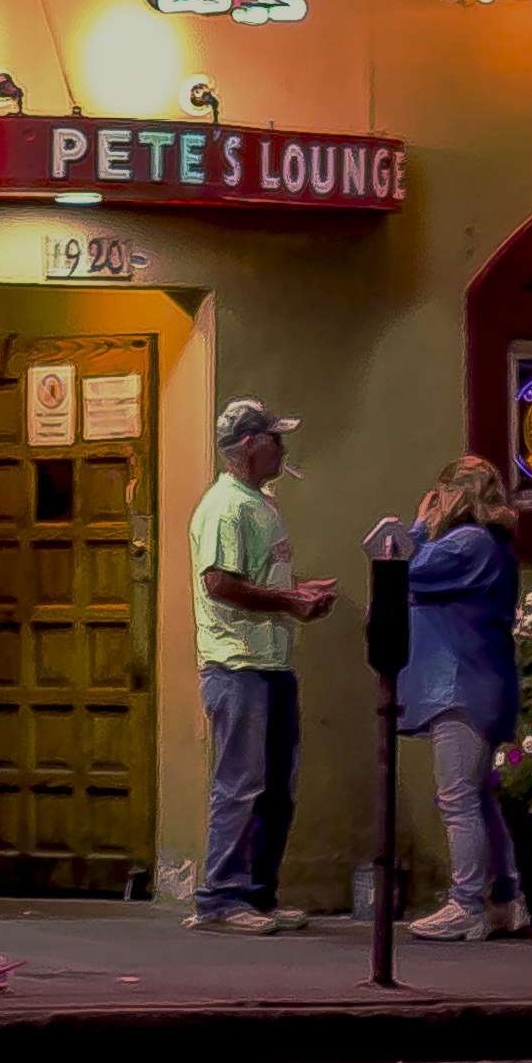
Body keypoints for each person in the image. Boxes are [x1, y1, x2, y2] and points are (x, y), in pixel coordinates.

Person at [185, 397, 334, 929]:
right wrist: (290, 602)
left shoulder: (258, 503)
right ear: (250, 445)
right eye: (274, 438)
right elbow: (219, 582)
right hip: (237, 665)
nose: (282, 447)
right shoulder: (226, 507)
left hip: (268, 664)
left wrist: (297, 590)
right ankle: (222, 899)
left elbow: (254, 578)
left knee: (273, 788)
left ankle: (257, 895)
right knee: (242, 784)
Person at [391, 455, 528, 937]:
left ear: (454, 494)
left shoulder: (468, 543)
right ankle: (506, 899)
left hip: (459, 684)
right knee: (478, 796)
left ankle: (467, 904)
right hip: (480, 680)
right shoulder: (492, 546)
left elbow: (403, 568)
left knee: (457, 799)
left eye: (441, 491)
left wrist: (419, 525)